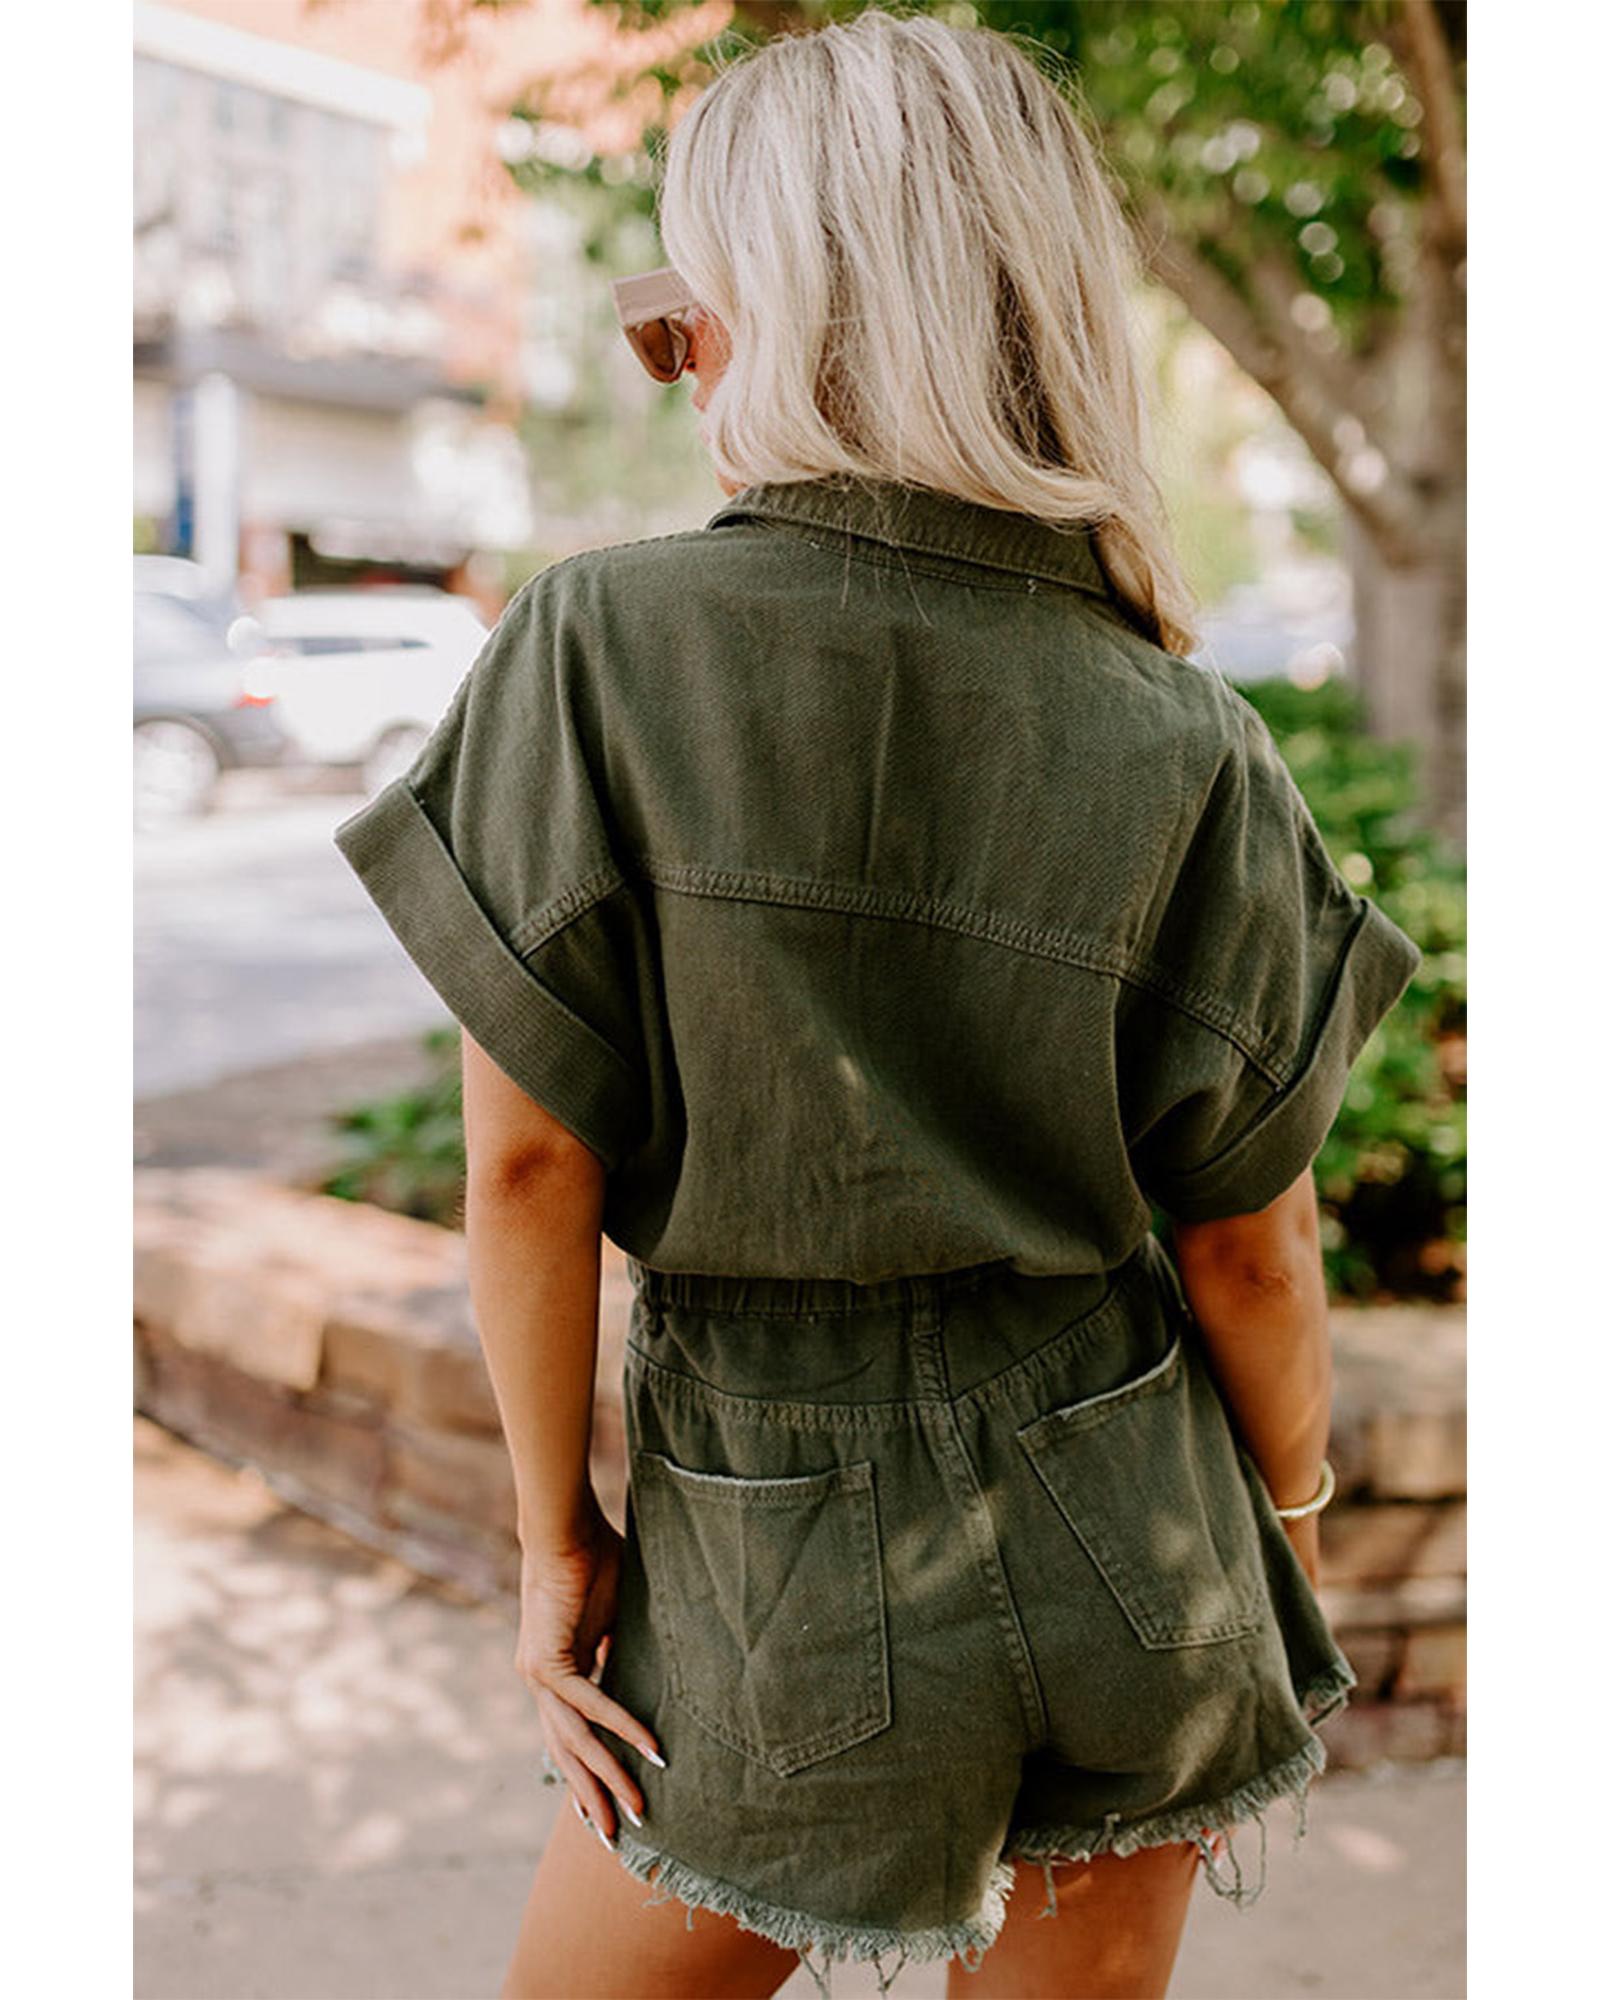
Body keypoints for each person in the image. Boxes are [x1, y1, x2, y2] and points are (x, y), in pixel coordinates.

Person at [332, 11, 1424, 1999]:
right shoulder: (1186, 733)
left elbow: (529, 1169)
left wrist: (554, 1542)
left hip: (778, 1560)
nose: (683, 364)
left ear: (787, 307)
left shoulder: (599, 647)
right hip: (1147, 1538)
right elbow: (1253, 1252)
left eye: (684, 317)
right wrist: (1281, 1510)